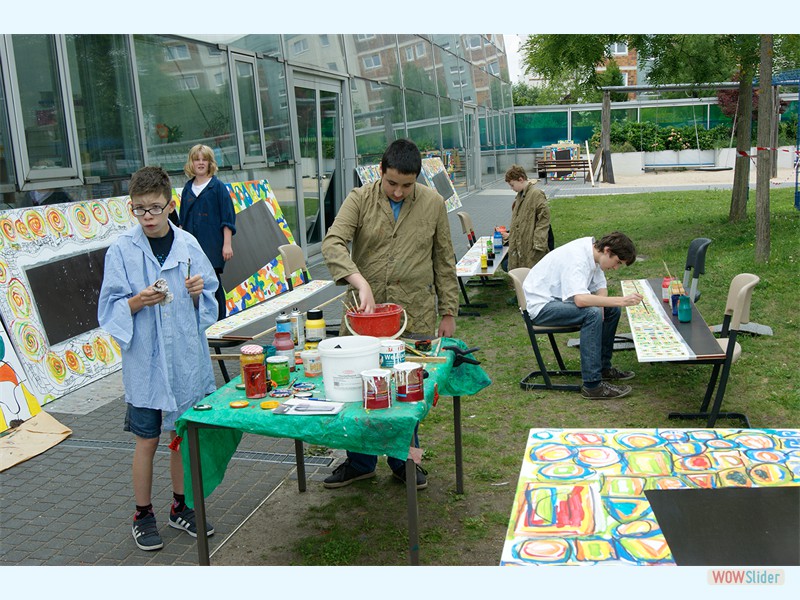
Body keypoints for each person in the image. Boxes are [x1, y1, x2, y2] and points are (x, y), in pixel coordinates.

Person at [321, 138, 460, 490]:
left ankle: (404, 460)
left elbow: (444, 259)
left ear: (417, 180)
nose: (398, 192)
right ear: (380, 171)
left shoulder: (432, 204)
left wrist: (448, 311)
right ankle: (360, 461)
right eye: (392, 183)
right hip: (363, 316)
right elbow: (333, 242)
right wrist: (358, 281)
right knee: (357, 386)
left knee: (406, 389)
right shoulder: (359, 199)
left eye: (407, 185)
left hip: (413, 314)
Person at [98, 166, 218, 551]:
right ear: (131, 207)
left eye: (154, 208)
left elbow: (210, 303)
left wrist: (198, 292)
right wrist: (137, 301)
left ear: (170, 205)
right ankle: (143, 513)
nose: (147, 217)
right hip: (146, 366)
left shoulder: (188, 246)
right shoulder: (121, 250)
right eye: (139, 209)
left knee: (180, 437)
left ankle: (180, 507)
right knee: (146, 440)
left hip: (185, 361)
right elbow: (108, 310)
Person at [521, 231, 642, 399]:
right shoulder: (577, 259)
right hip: (541, 307)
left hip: (556, 300)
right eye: (617, 262)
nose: (616, 267)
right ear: (607, 251)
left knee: (611, 309)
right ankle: (592, 386)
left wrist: (604, 305)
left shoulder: (592, 252)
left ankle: (603, 368)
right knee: (592, 313)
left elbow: (601, 287)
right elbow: (580, 300)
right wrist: (621, 300)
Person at [179, 144, 236, 321]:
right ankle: (201, 316)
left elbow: (227, 218)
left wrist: (227, 244)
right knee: (196, 280)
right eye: (197, 159)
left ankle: (220, 318)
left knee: (213, 280)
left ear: (210, 162)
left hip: (212, 244)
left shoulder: (217, 187)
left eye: (204, 159)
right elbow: (183, 220)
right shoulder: (188, 188)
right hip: (192, 246)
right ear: (192, 163)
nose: (201, 163)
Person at [502, 164, 552, 271]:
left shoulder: (536, 194)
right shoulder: (520, 196)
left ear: (521, 180)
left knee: (531, 270)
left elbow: (544, 219)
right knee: (521, 269)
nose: (512, 188)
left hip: (533, 244)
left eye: (512, 185)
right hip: (522, 242)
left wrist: (538, 243)